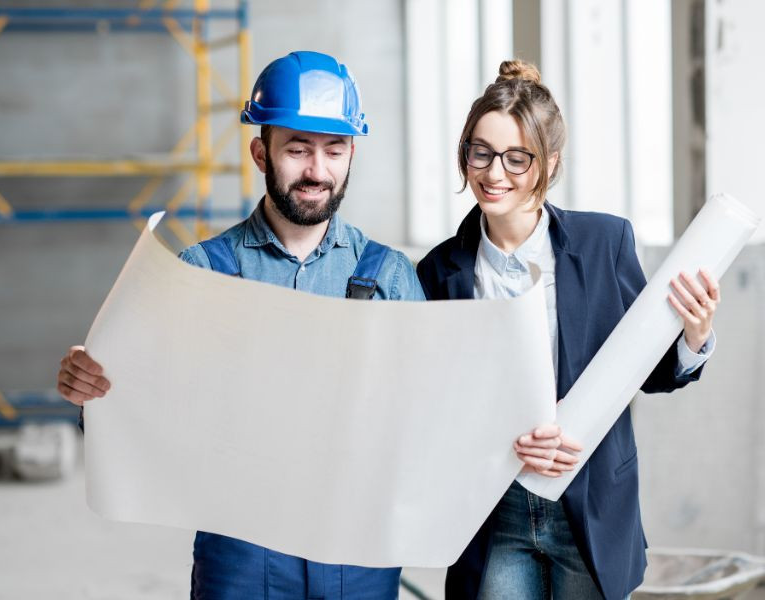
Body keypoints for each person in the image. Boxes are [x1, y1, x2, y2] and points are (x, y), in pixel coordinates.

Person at [57, 50, 425, 600]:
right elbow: (129, 412)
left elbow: (428, 417)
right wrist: (91, 390)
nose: (316, 172)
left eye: (334, 150)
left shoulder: (389, 277)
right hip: (242, 551)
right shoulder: (202, 273)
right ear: (261, 152)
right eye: (297, 150)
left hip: (358, 546)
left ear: (352, 154)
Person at [416, 60, 719, 600]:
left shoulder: (605, 244)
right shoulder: (440, 271)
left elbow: (647, 372)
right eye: (480, 152)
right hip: (494, 515)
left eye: (517, 157)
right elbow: (436, 406)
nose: (493, 173)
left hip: (590, 508)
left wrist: (693, 337)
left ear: (550, 162)